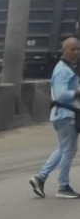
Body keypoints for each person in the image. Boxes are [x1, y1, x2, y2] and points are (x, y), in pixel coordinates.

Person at [29, 36, 80, 199]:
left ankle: (40, 177)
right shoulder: (62, 70)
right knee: (69, 150)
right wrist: (77, 92)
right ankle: (63, 186)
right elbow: (60, 95)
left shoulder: (69, 68)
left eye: (78, 49)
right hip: (65, 115)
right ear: (64, 50)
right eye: (72, 49)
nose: (76, 52)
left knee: (63, 149)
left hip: (65, 115)